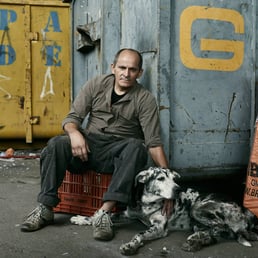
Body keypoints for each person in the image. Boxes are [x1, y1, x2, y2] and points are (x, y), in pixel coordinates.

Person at [21, 48, 172, 241]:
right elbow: (73, 117)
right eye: (122, 67)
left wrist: (168, 181)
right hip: (87, 148)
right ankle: (45, 208)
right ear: (113, 67)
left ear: (139, 72)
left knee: (137, 147)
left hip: (116, 153)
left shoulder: (145, 99)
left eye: (132, 69)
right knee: (57, 143)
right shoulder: (97, 84)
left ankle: (104, 214)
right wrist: (74, 132)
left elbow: (153, 142)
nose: (126, 74)